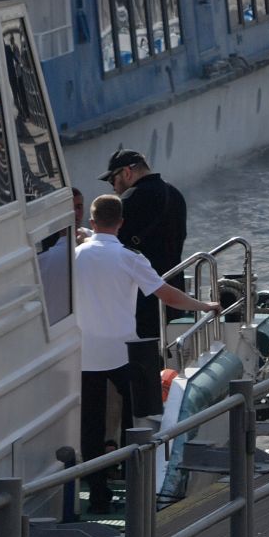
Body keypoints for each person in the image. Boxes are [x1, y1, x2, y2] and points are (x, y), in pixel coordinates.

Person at [75, 193, 220, 513]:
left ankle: (98, 495)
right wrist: (204, 305)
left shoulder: (76, 256)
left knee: (91, 428)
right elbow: (167, 295)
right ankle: (136, 484)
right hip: (125, 353)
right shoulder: (131, 258)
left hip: (85, 355)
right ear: (122, 223)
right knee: (137, 421)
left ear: (92, 221)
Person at [104, 150, 187, 420]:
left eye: (113, 180)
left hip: (140, 297)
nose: (113, 187)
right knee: (166, 360)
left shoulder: (129, 200)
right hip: (172, 290)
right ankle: (167, 414)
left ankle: (140, 425)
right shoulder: (175, 195)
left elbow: (113, 247)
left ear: (127, 172)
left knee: (139, 366)